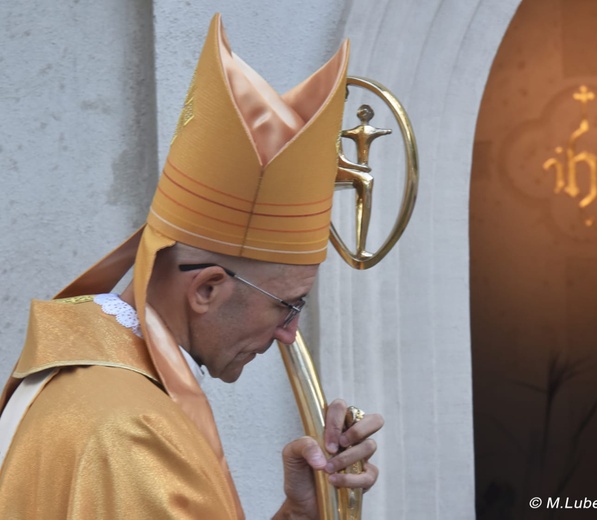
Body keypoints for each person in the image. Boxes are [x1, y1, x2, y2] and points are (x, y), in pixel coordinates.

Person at [0, 13, 383, 519]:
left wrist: (301, 513)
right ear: (206, 290)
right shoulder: (131, 433)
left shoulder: (91, 377)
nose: (290, 334)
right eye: (287, 306)